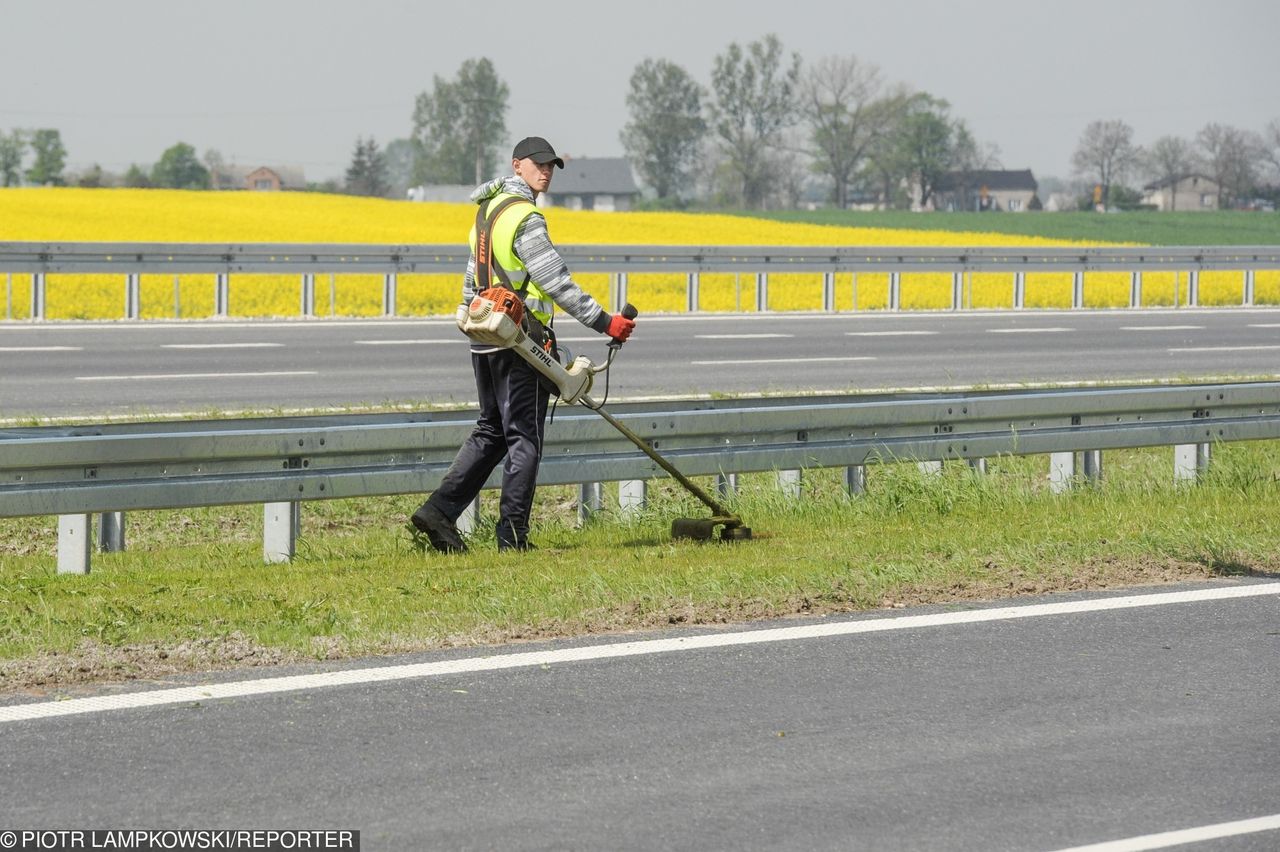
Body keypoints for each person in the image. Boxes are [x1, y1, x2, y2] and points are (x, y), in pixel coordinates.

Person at [410, 136, 636, 553]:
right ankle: (512, 536)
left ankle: (439, 512)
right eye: (538, 165)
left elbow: (471, 281)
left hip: (485, 335)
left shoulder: (486, 214)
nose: (546, 172)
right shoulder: (526, 217)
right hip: (520, 342)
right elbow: (555, 281)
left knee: (491, 430)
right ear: (517, 166)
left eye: (551, 166)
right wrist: (607, 322)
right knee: (524, 438)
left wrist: (470, 320)